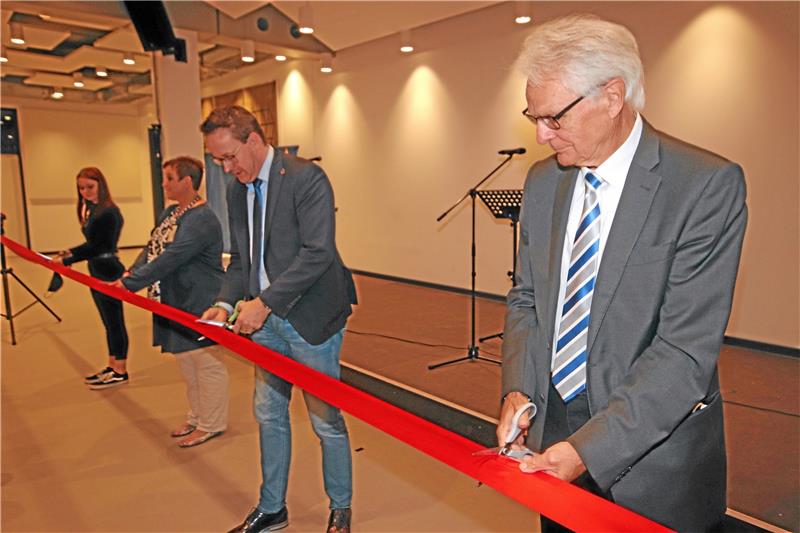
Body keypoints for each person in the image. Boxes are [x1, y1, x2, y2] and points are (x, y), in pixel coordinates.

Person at [497, 14, 747, 532]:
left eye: (554, 118)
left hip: (652, 456)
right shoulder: (543, 183)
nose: (541, 136)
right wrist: (518, 390)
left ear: (612, 96)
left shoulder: (703, 187)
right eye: (533, 116)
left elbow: (683, 352)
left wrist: (589, 449)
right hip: (552, 432)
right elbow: (527, 300)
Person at [199, 106, 357, 533]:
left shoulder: (306, 178)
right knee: (269, 414)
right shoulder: (237, 191)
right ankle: (273, 508)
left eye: (229, 157)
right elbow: (242, 263)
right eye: (217, 161)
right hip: (264, 319)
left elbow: (318, 253)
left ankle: (340, 508)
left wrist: (264, 303)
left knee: (326, 420)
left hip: (312, 317)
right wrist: (226, 303)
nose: (225, 168)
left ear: (253, 140)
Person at [112, 157, 228, 448]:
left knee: (206, 362)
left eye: (169, 178)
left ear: (187, 181)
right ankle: (198, 416)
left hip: (201, 299)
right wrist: (130, 272)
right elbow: (152, 248)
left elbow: (174, 256)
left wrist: (130, 284)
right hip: (176, 298)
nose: (164, 184)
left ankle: (212, 423)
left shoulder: (202, 218)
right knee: (188, 362)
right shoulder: (171, 212)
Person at [54, 167, 130, 390]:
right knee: (108, 323)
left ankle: (121, 370)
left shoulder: (108, 212)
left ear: (101, 185)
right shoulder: (93, 209)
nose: (85, 192)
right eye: (81, 188)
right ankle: (112, 365)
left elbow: (97, 246)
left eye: (90, 187)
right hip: (97, 267)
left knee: (114, 322)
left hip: (108, 269)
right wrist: (69, 252)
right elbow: (92, 244)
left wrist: (68, 259)